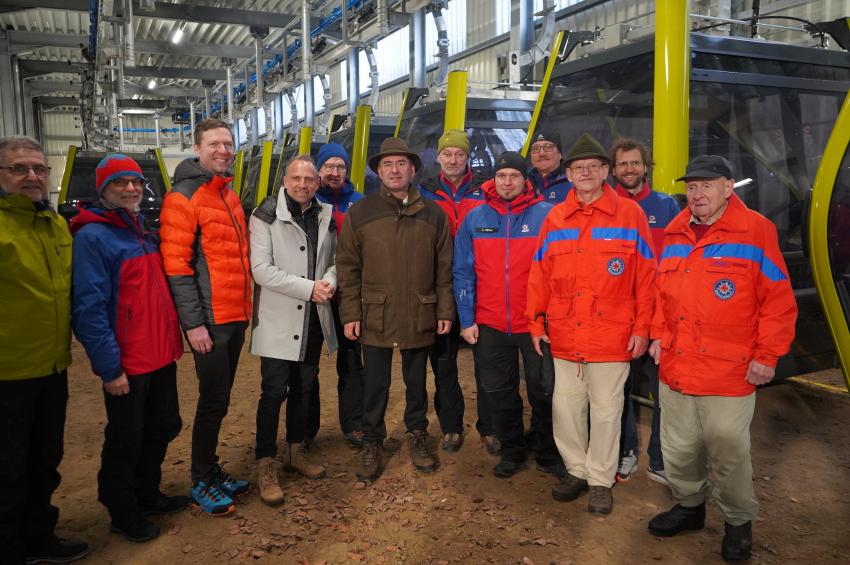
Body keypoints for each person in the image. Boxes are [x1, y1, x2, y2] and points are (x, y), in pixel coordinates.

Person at [647, 155, 797, 561]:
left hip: (729, 368)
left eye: (707, 185)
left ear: (728, 187)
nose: (697, 193)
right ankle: (690, 507)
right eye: (692, 186)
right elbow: (660, 295)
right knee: (678, 447)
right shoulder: (675, 233)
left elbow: (778, 302)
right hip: (677, 363)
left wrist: (767, 355)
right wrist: (658, 335)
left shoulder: (755, 231)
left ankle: (737, 523)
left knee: (728, 450)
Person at [526, 133, 656, 515]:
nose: (585, 173)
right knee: (566, 409)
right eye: (578, 168)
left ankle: (600, 480)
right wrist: (535, 323)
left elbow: (646, 277)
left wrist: (642, 328)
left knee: (606, 411)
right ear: (568, 174)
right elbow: (540, 275)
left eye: (593, 167)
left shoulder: (629, 215)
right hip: (565, 333)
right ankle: (576, 471)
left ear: (604, 172)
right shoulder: (555, 218)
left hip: (613, 335)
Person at [70, 154, 186, 542]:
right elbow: (89, 307)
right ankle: (123, 509)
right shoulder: (93, 237)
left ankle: (147, 494)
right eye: (121, 182)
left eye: (136, 182)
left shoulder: (141, 230)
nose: (132, 188)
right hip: (128, 361)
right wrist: (109, 368)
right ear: (103, 189)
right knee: (127, 436)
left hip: (159, 354)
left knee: (163, 425)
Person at [336, 137, 454, 482]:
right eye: (387, 164)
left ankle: (417, 434)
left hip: (420, 311)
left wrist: (444, 309)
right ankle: (373, 440)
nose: (395, 170)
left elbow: (443, 267)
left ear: (413, 169)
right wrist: (350, 314)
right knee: (374, 384)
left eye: (401, 163)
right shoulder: (362, 212)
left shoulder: (434, 214)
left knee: (416, 383)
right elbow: (347, 267)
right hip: (376, 313)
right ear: (378, 171)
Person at [0, 136, 88, 565]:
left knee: (45, 459)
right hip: (6, 372)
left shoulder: (54, 225)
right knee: (7, 467)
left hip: (52, 365)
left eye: (38, 168)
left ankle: (39, 536)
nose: (32, 176)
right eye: (19, 169)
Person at [160, 118, 251, 516]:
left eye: (228, 144)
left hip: (235, 316)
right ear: (197, 149)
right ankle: (200, 479)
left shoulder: (227, 195)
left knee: (222, 398)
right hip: (210, 322)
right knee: (212, 400)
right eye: (214, 144)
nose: (222, 150)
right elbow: (177, 268)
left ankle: (211, 470)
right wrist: (193, 324)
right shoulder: (183, 197)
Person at [453, 151, 563, 478]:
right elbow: (462, 272)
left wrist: (551, 318)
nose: (507, 182)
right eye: (502, 176)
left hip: (536, 325)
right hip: (490, 323)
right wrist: (467, 318)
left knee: (544, 391)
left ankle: (547, 452)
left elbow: (559, 271)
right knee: (499, 392)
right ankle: (512, 449)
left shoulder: (548, 216)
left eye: (513, 176)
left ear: (524, 179)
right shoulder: (476, 218)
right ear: (494, 180)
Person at [250, 155, 337, 506]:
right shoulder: (265, 215)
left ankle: (296, 451)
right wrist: (309, 288)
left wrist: (329, 281)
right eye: (296, 178)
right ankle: (265, 462)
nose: (303, 184)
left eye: (310, 179)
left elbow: (335, 259)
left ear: (317, 182)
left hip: (313, 318)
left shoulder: (325, 214)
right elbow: (261, 269)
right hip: (278, 317)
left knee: (305, 386)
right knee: (273, 391)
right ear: (284, 180)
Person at [608, 138, 680, 484]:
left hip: (661, 316)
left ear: (645, 166)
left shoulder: (667, 207)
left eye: (635, 163)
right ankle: (625, 450)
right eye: (623, 164)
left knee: (665, 389)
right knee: (618, 388)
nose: (629, 170)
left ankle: (660, 459)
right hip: (620, 316)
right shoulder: (606, 208)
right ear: (613, 169)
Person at [419, 129, 490, 453]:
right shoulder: (425, 192)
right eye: (447, 154)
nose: (453, 160)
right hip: (441, 287)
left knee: (487, 361)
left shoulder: (485, 190)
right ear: (438, 157)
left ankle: (491, 426)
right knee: (444, 361)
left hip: (482, 286)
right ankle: (451, 426)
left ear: (467, 157)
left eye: (459, 154)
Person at [314, 143, 366, 448]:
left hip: (349, 295)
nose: (335, 173)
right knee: (307, 365)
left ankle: (354, 423)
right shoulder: (308, 197)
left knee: (351, 361)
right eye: (329, 167)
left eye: (340, 167)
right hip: (315, 293)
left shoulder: (358, 203)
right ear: (319, 170)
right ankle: (306, 430)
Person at [527, 128, 572, 204]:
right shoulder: (522, 183)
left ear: (560, 154)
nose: (541, 154)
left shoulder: (574, 181)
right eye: (535, 148)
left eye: (548, 147)